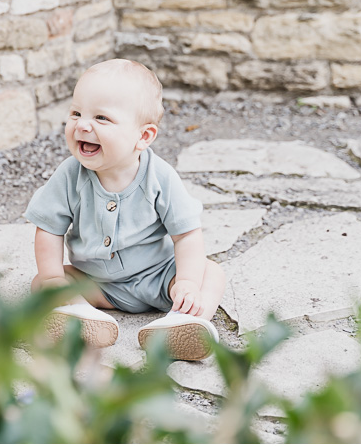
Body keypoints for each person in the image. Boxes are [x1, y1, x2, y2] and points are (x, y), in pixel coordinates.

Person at [24, 59, 226, 361]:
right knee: (43, 282)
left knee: (211, 272)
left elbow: (187, 235)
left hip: (160, 279)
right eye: (76, 113)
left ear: (143, 136)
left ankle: (185, 321)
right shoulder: (69, 175)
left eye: (101, 118)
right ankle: (78, 315)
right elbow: (49, 229)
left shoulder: (161, 177)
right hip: (97, 285)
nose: (82, 124)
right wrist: (54, 278)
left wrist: (184, 282)